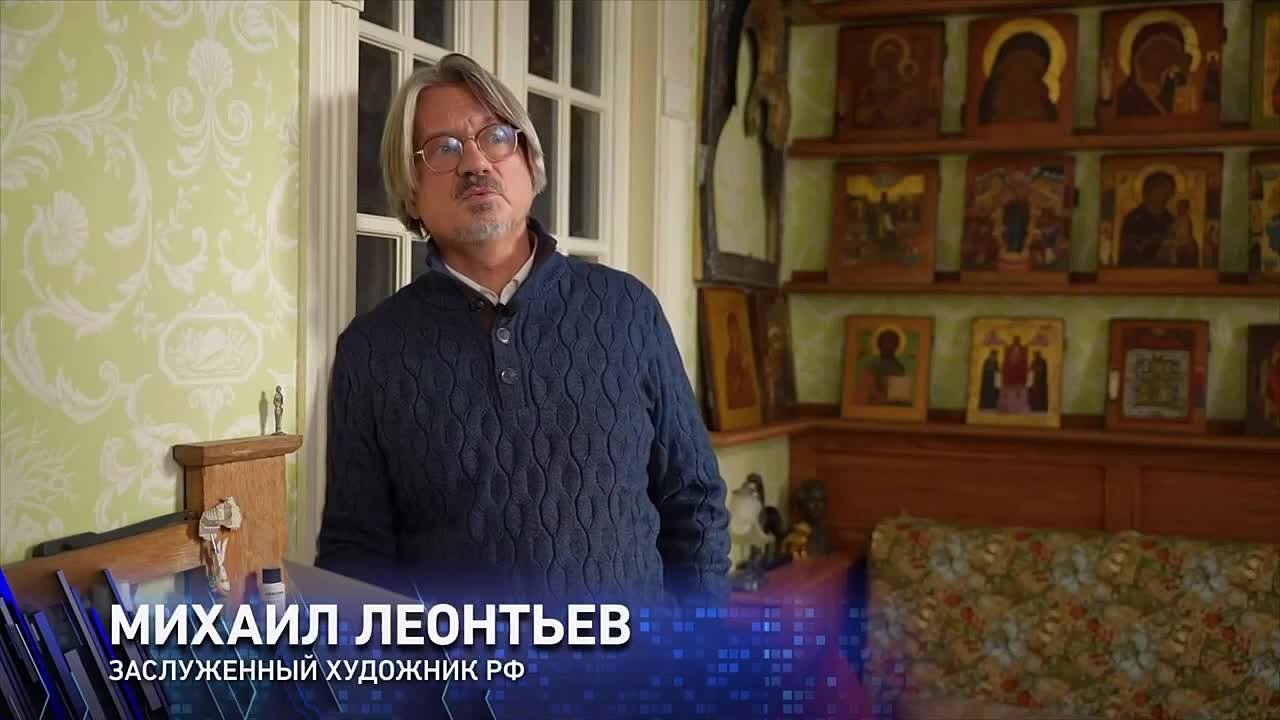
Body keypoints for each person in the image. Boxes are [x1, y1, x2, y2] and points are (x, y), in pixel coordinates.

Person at [315, 54, 730, 608]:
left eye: (496, 137)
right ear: (411, 192)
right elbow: (355, 558)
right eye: (443, 148)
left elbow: (694, 503)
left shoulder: (629, 310)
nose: (475, 163)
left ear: (530, 162)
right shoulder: (370, 352)